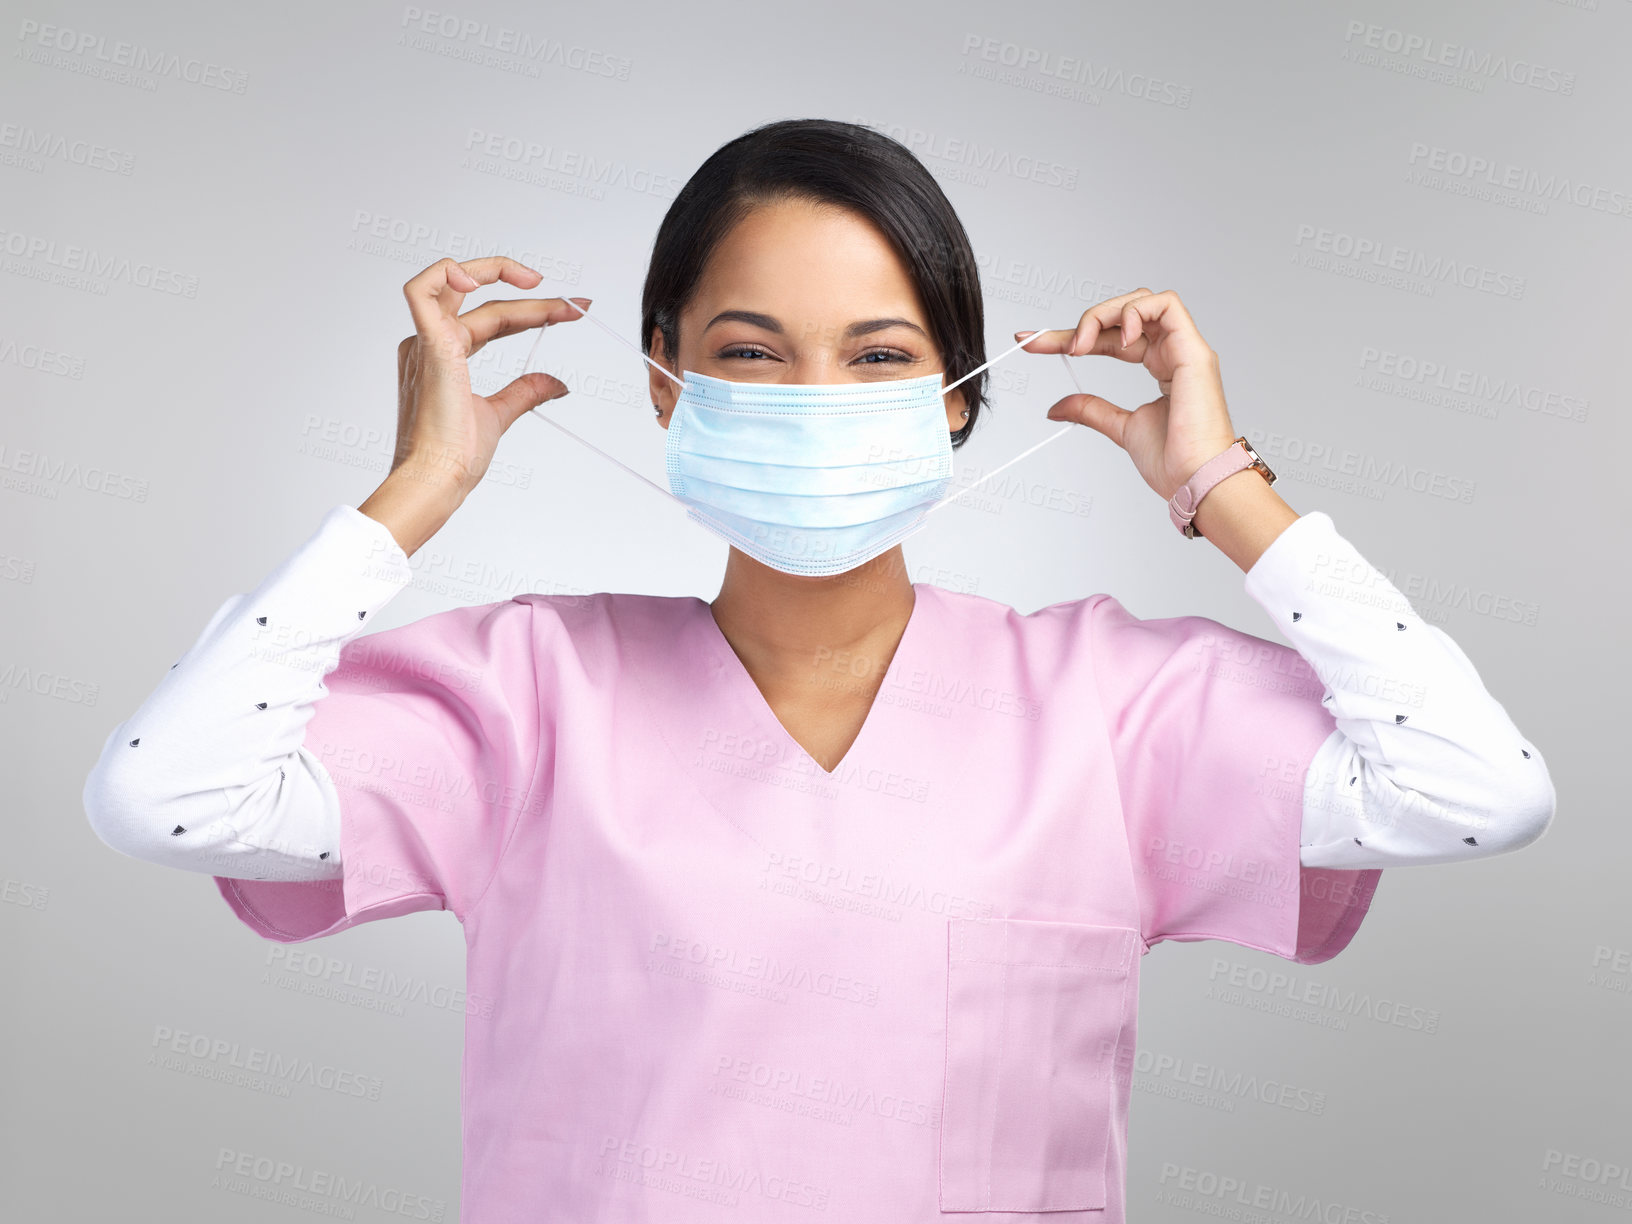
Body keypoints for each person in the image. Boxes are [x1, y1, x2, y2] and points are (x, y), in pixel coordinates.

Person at [83, 118, 1555, 1223]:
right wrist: (412, 491)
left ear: (959, 400)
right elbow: (169, 799)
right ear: (663, 379)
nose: (812, 397)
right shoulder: (528, 695)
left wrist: (1223, 485)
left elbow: (1475, 792)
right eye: (752, 351)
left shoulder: (1112, 706)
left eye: (875, 355)